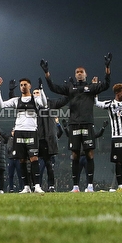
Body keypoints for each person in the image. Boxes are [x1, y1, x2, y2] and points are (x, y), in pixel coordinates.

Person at [41, 54, 112, 192]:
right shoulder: (70, 88)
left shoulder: (91, 87)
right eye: (77, 72)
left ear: (85, 75)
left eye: (81, 72)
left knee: (90, 153)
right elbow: (53, 88)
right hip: (73, 124)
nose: (79, 74)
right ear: (75, 75)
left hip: (87, 123)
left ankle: (90, 186)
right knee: (74, 155)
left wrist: (107, 68)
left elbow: (107, 85)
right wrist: (47, 73)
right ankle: (75, 187)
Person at [0, 76, 48, 193]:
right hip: (19, 131)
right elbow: (1, 105)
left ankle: (37, 186)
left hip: (32, 131)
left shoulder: (35, 99)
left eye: (25, 84)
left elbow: (44, 103)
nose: (23, 87)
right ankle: (26, 187)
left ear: (30, 86)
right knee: (22, 160)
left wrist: (42, 89)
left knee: (34, 158)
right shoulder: (16, 100)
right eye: (21, 85)